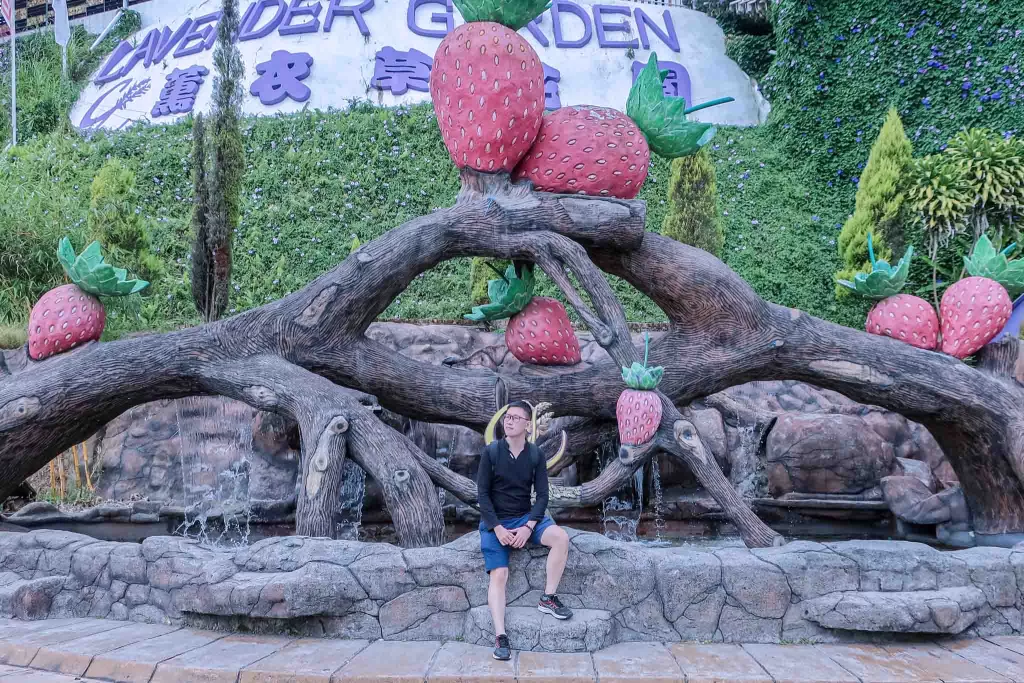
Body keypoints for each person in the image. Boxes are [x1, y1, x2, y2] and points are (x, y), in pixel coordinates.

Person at [476, 400, 572, 661]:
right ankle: (500, 636)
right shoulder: (492, 453)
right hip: (495, 522)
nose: (509, 421)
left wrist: (529, 527)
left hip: (524, 519)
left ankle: (548, 598)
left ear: (527, 425)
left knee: (561, 538)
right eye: (507, 417)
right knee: (500, 574)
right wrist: (497, 529)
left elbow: (542, 497)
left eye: (515, 418)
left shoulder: (535, 455)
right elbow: (482, 496)